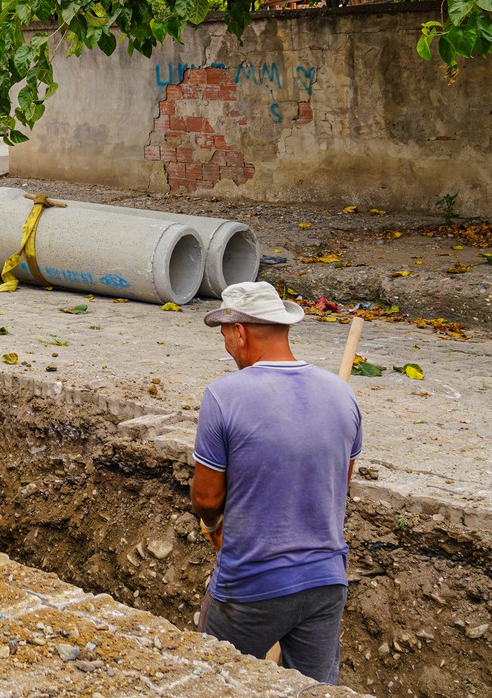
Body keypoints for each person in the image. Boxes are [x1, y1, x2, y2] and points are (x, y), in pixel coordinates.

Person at [190, 280, 362, 685]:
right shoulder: (342, 395)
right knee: (315, 691)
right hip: (326, 581)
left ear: (240, 332)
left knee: (215, 682)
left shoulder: (223, 396)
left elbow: (207, 499)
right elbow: (340, 482)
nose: (227, 347)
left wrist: (211, 526)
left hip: (252, 582)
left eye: (225, 337)